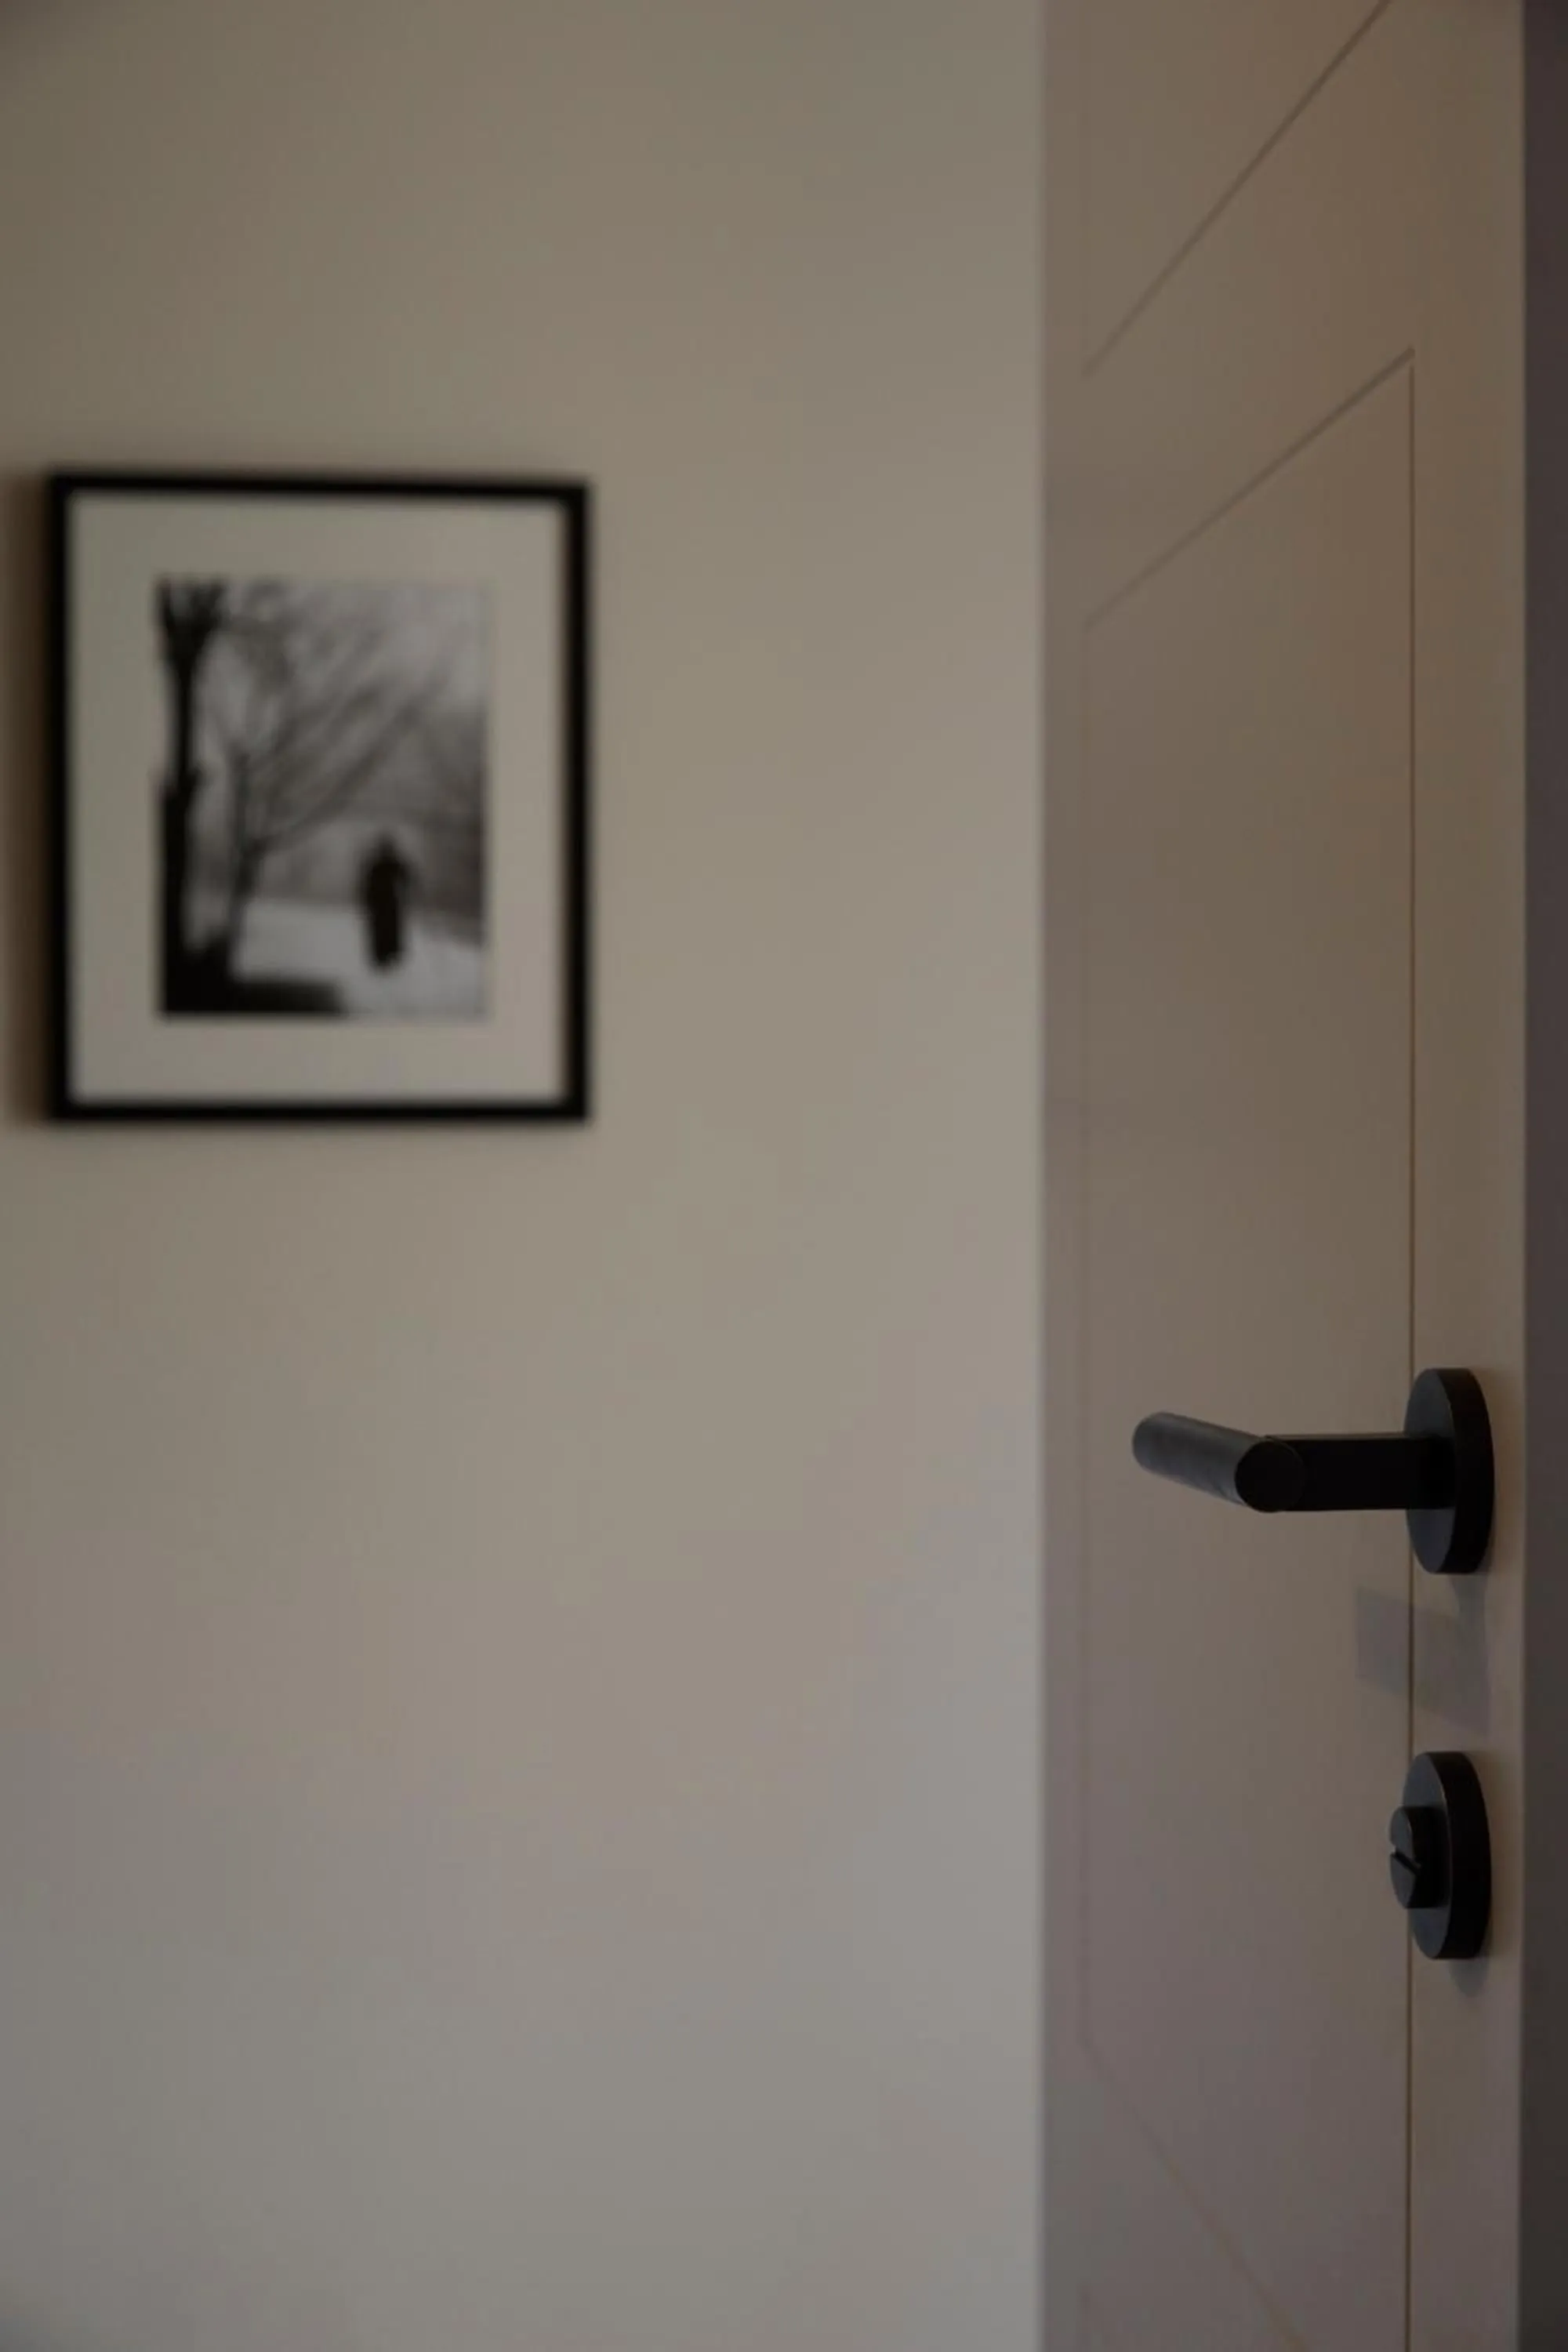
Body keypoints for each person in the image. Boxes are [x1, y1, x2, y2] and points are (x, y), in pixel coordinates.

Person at [360, 834, 414, 970]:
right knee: (382, 932)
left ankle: (388, 956)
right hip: (381, 905)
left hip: (389, 905)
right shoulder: (377, 865)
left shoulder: (391, 864)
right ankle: (383, 957)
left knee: (390, 931)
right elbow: (367, 886)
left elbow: (407, 878)